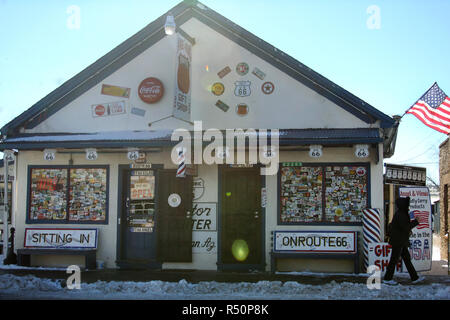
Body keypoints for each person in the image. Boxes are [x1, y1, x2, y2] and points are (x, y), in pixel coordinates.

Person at [383, 196, 425, 285]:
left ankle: (414, 277)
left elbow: (404, 227)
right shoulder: (401, 214)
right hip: (398, 241)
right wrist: (416, 221)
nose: (408, 205)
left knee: (406, 259)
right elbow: (406, 227)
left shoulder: (401, 213)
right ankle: (387, 278)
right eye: (407, 204)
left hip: (400, 240)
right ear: (404, 205)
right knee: (394, 260)